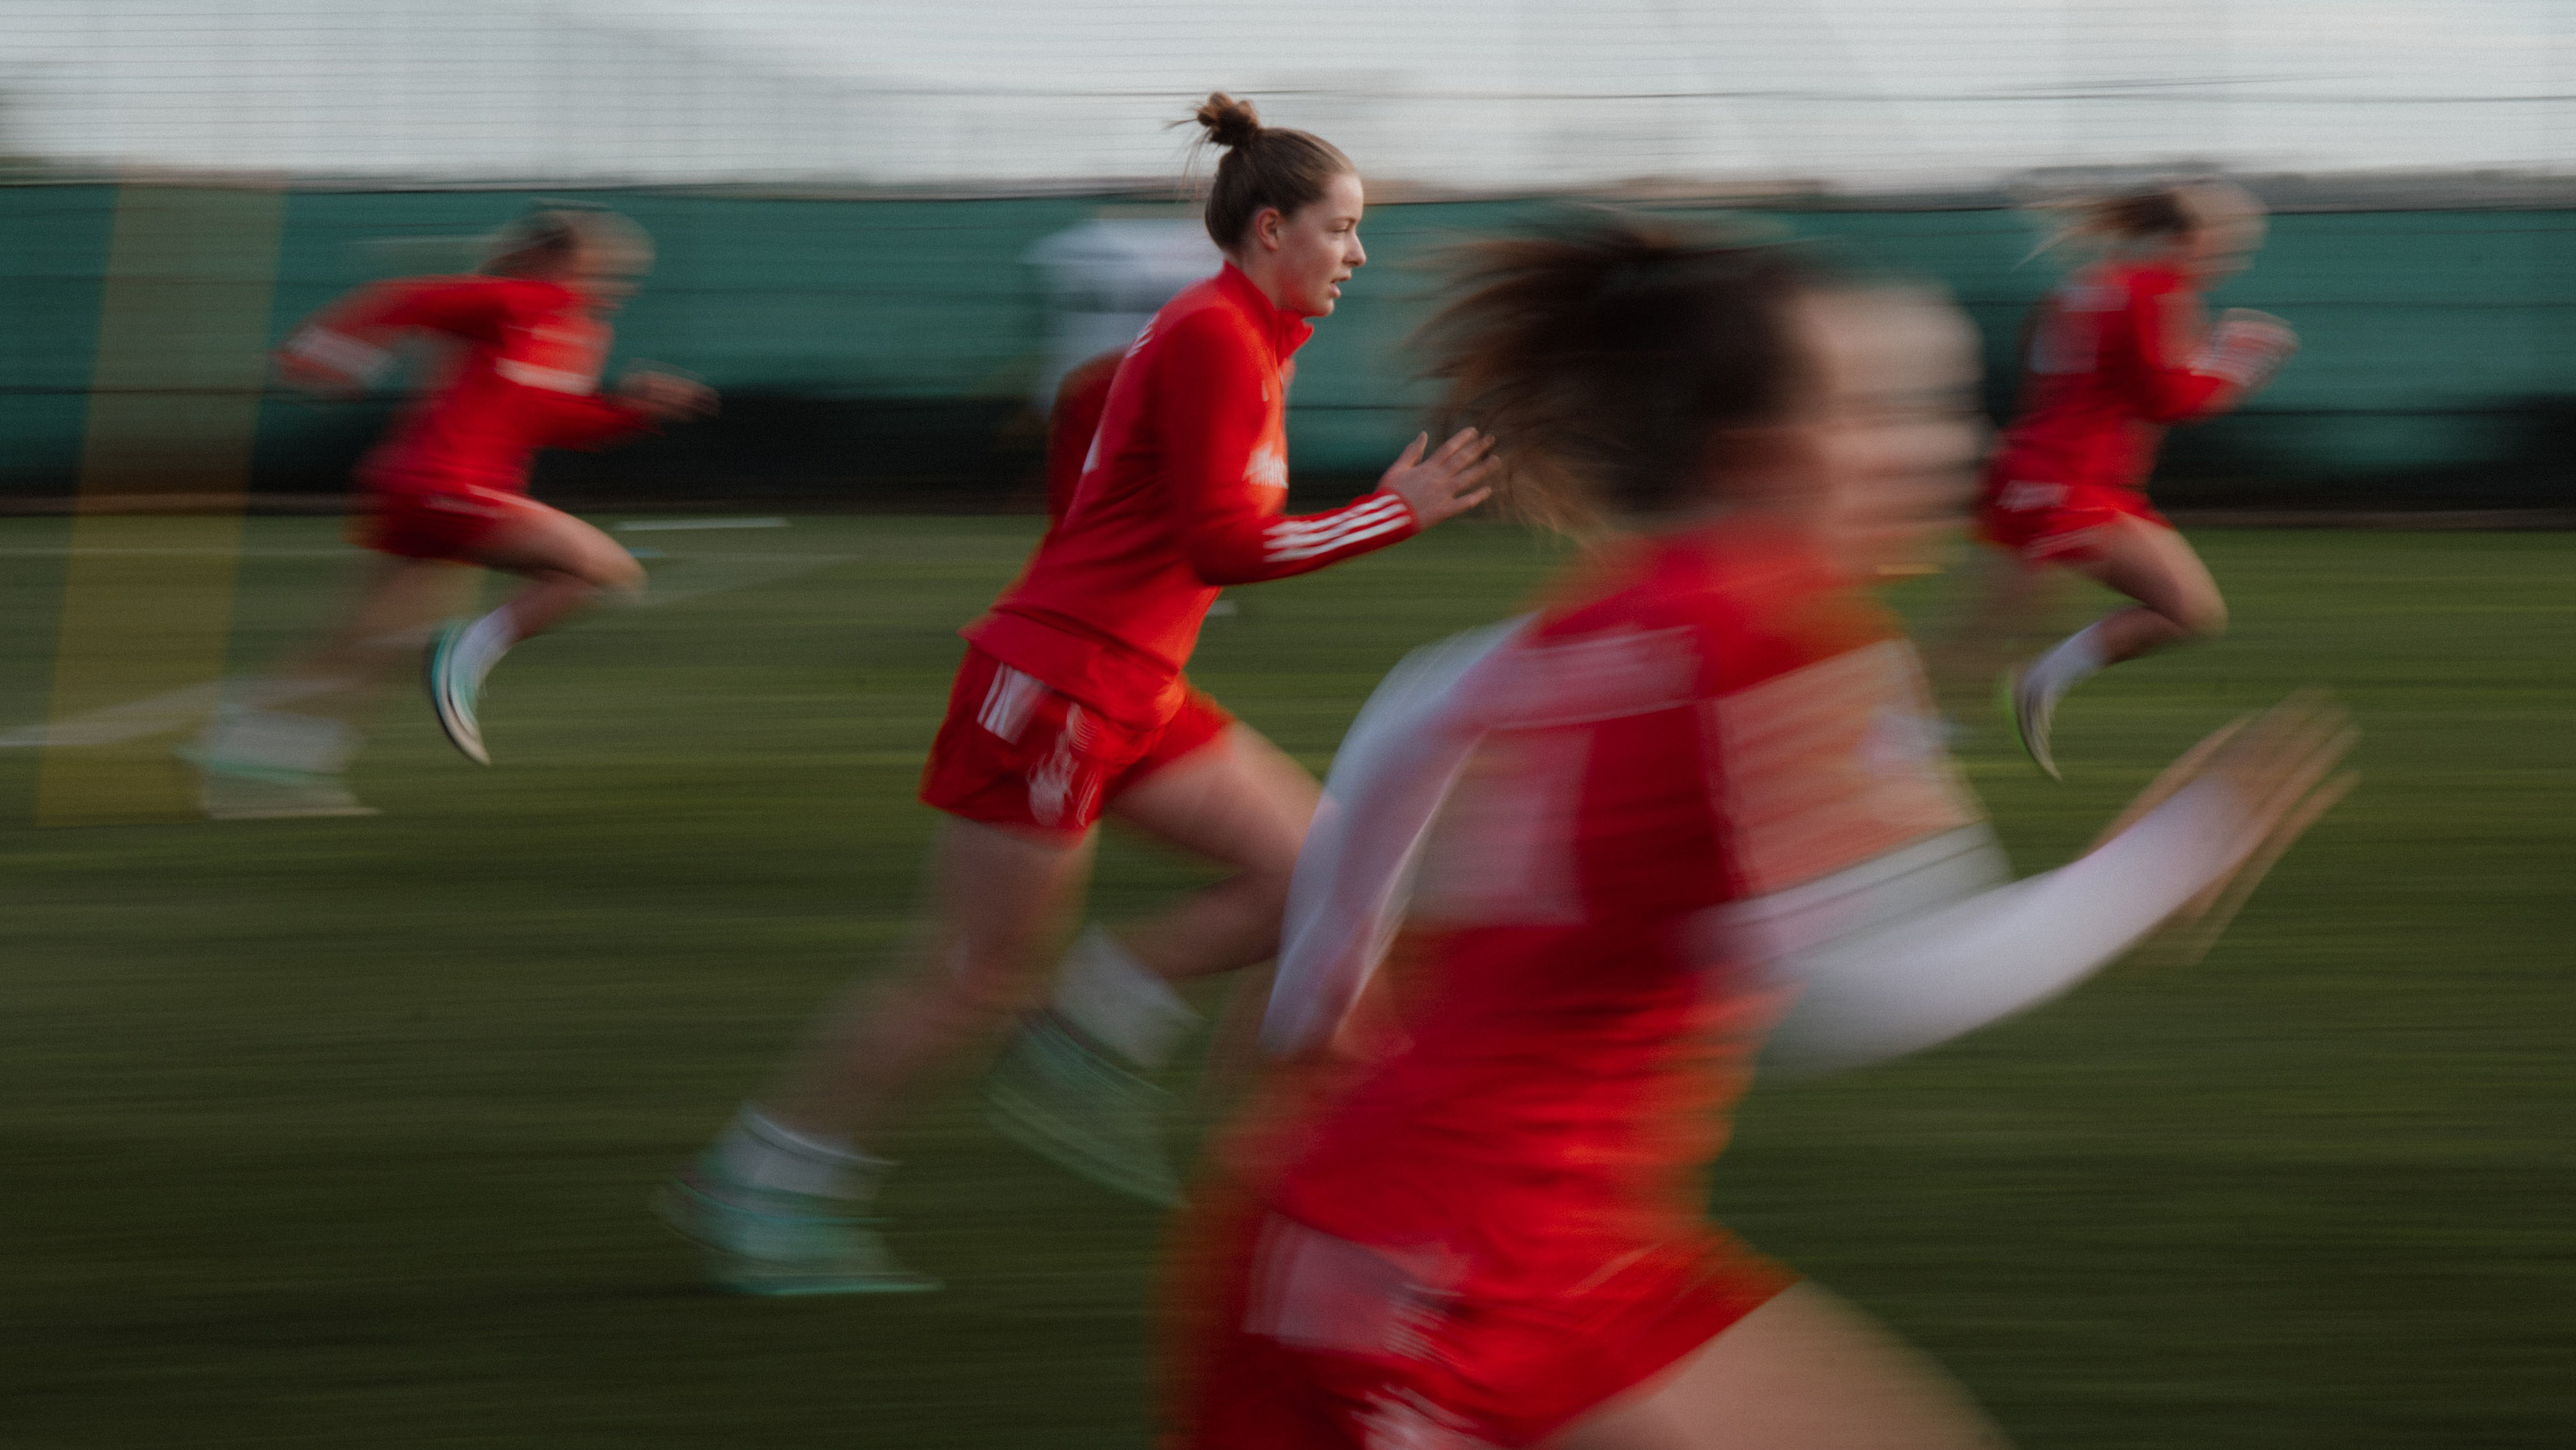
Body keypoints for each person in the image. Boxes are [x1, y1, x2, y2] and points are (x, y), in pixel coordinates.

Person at [1160, 219, 2351, 1450]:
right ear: (1758, 457)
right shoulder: (1782, 647)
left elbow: (1402, 741)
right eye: (1887, 412)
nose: (1946, 447)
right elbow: (1851, 990)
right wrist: (2158, 860)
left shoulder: (1559, 632)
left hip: (1468, 1238)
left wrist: (1314, 1010)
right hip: (1441, 1283)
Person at [657, 94, 1495, 1294]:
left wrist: (1086, 539)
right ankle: (760, 1182)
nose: (1359, 254)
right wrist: (1390, 513)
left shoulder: (1236, 336)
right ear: (1270, 230)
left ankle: (1096, 1018)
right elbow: (1221, 543)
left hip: (1123, 682)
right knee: (973, 974)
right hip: (1054, 689)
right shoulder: (1216, 335)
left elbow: (1090, 400)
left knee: (1319, 870)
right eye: (1342, 228)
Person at [186, 208, 715, 818]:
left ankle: (247, 762)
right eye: (604, 270)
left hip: (423, 488)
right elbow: (405, 296)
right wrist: (326, 354)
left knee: (365, 645)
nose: (615, 286)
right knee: (600, 568)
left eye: (624, 276)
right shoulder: (525, 299)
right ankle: (468, 648)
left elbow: (552, 423)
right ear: (550, 261)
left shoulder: (576, 332)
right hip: (448, 486)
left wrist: (633, 410)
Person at [1966, 180, 2298, 777]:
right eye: (2228, 244)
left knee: (1992, 628)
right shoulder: (2155, 290)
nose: (2233, 259)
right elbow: (2167, 398)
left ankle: (1999, 695)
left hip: (2052, 472)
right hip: (2069, 481)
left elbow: (2066, 367)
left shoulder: (2092, 283)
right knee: (2180, 611)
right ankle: (1967, 710)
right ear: (2190, 240)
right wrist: (2240, 361)